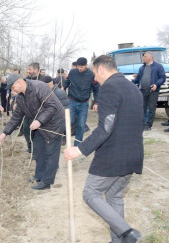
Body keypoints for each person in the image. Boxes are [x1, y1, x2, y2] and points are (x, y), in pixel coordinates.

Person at [64, 55, 143, 242]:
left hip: (113, 157)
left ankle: (127, 233)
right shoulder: (133, 88)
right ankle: (120, 240)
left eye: (95, 73)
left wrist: (81, 149)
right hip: (133, 155)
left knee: (90, 193)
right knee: (114, 196)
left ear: (100, 69)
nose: (95, 79)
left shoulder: (108, 87)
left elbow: (105, 127)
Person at [0, 73, 66, 190]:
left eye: (12, 87)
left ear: (19, 82)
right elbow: (17, 116)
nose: (12, 91)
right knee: (38, 150)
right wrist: (5, 133)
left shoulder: (39, 87)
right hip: (40, 124)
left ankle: (46, 182)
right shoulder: (20, 97)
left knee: (51, 153)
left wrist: (39, 121)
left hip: (54, 123)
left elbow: (52, 106)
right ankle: (39, 176)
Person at [64, 57, 99, 146]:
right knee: (69, 122)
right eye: (78, 66)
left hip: (84, 103)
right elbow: (67, 82)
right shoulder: (72, 72)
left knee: (81, 125)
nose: (80, 68)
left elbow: (96, 89)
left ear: (86, 65)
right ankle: (63, 138)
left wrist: (96, 102)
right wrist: (63, 87)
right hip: (72, 101)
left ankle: (77, 144)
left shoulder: (91, 75)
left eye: (82, 67)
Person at [132, 51, 166, 131]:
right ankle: (143, 124)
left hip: (153, 90)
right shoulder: (142, 68)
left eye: (145, 57)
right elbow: (138, 79)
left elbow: (163, 77)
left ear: (151, 57)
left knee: (151, 108)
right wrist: (131, 81)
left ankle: (148, 125)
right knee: (143, 108)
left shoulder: (158, 66)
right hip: (142, 90)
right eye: (143, 57)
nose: (143, 58)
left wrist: (156, 84)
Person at [40, 75, 69, 145]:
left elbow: (65, 109)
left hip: (58, 118)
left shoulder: (60, 93)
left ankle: (63, 137)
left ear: (49, 84)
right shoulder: (47, 92)